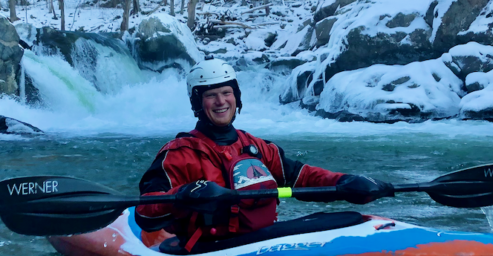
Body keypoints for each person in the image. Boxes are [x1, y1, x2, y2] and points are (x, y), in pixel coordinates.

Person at [135, 56, 392, 253]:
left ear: (236, 97)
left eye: (227, 93)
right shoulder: (178, 154)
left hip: (265, 241)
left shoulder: (256, 146)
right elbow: (145, 213)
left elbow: (300, 177)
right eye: (211, 96)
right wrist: (183, 196)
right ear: (197, 103)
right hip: (210, 248)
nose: (221, 101)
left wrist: (344, 182)